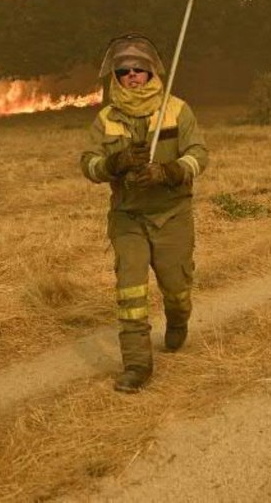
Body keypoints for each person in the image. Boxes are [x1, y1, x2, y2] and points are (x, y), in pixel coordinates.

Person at [80, 33, 209, 393]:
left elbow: (200, 155)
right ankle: (137, 364)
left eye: (139, 69)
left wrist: (169, 171)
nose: (132, 75)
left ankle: (178, 319)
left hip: (172, 214)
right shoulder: (106, 118)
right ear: (116, 78)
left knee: (177, 287)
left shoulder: (176, 109)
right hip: (128, 217)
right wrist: (113, 163)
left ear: (151, 72)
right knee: (131, 291)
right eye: (124, 71)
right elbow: (87, 165)